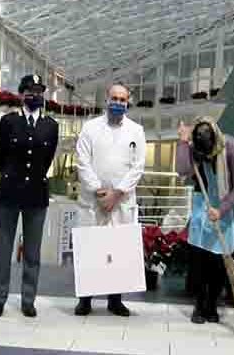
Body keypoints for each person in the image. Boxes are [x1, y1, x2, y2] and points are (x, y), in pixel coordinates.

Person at [73, 83, 146, 317]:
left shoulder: (137, 130)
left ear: (128, 103)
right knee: (91, 250)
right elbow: (82, 162)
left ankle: (116, 300)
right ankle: (85, 300)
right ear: (107, 100)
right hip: (94, 200)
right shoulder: (90, 127)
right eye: (114, 98)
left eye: (122, 99)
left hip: (121, 201)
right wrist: (98, 190)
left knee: (119, 251)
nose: (118, 103)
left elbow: (138, 167)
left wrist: (117, 193)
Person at [0, 75, 59, 318]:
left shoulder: (51, 125)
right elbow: (2, 155)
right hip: (8, 193)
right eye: (30, 91)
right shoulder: (8, 122)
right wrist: (13, 175)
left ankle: (28, 300)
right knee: (4, 251)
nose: (35, 95)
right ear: (21, 94)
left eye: (39, 91)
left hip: (36, 195)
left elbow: (48, 158)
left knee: (32, 252)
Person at [176, 117, 234, 324]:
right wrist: (182, 142)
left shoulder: (232, 148)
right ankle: (199, 304)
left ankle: (212, 304)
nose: (206, 156)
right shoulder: (195, 147)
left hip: (227, 206)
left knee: (218, 261)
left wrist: (221, 210)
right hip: (203, 204)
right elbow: (182, 170)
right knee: (199, 259)